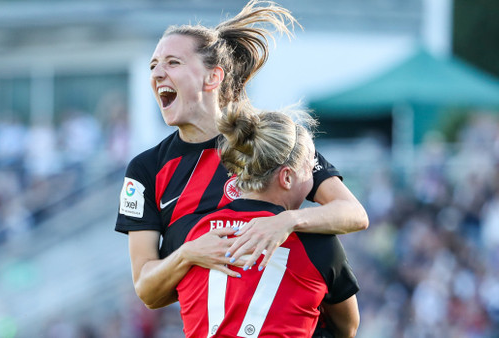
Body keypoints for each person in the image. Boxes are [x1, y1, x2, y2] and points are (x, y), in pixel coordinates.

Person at [115, 0, 368, 310]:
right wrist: (188, 254)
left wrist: (287, 221)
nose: (157, 73)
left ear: (213, 77)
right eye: (153, 65)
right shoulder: (146, 169)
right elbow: (147, 290)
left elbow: (353, 214)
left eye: (173, 62)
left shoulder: (269, 138)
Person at [173, 104, 360, 338]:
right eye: (310, 168)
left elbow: (152, 294)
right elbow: (348, 327)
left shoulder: (197, 233)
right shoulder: (316, 242)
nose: (315, 174)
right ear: (287, 177)